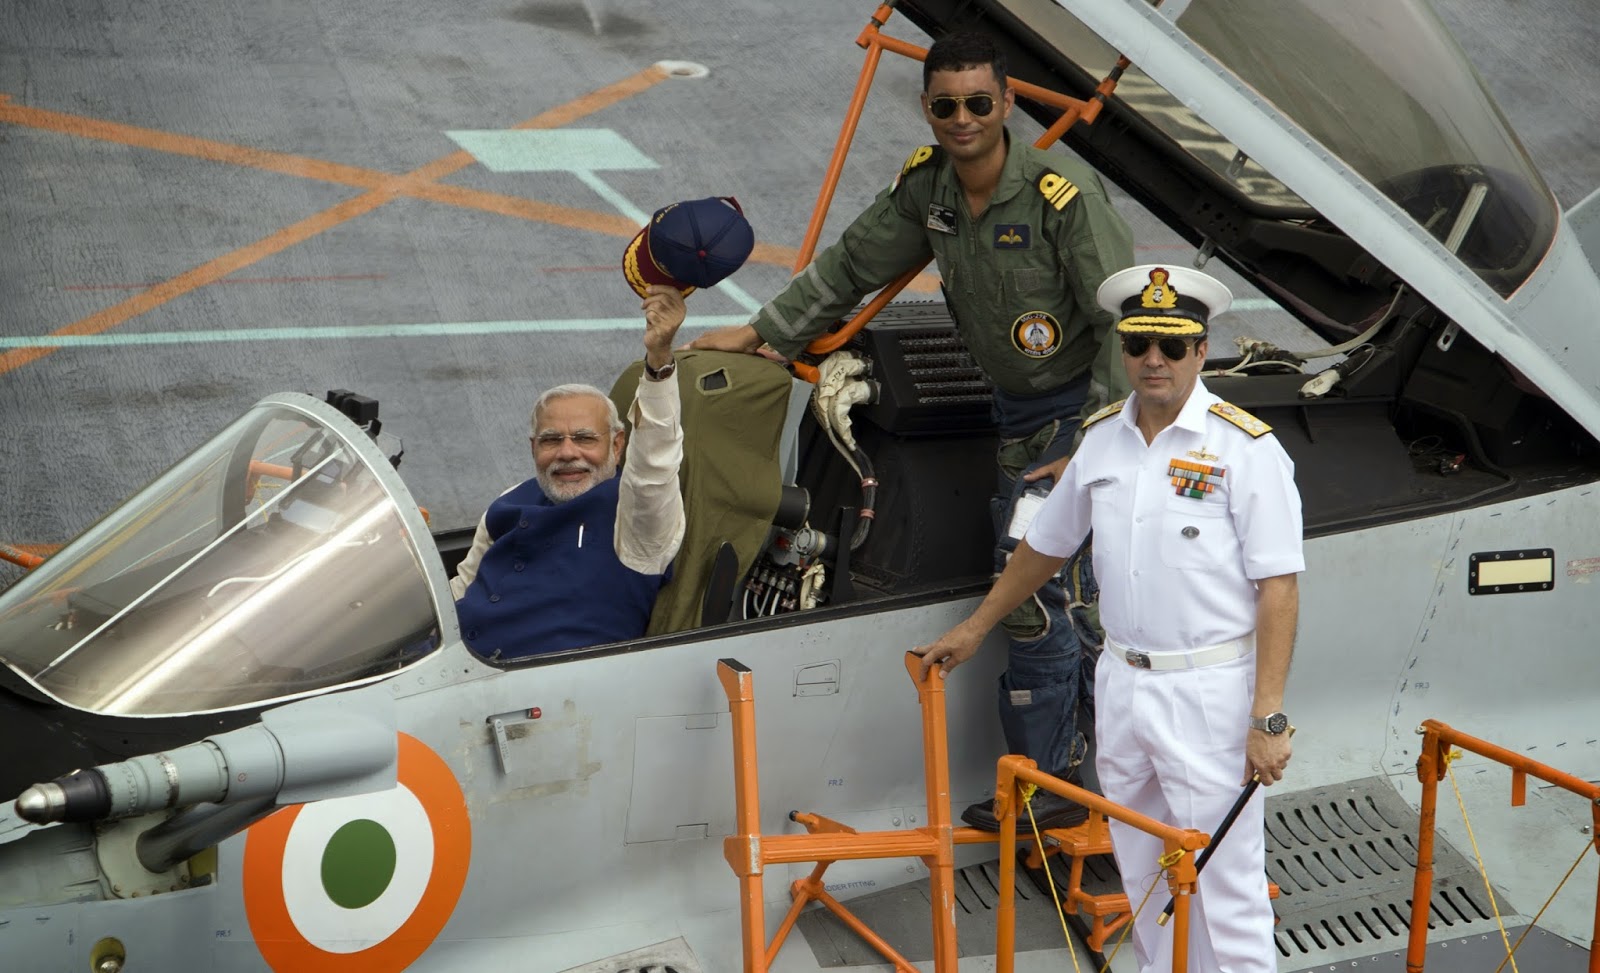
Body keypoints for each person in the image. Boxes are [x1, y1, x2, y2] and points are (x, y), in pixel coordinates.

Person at [689, 31, 1135, 830]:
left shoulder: (1062, 195)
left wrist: (1091, 445)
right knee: (1076, 601)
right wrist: (763, 333)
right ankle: (1093, 778)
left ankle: (1050, 794)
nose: (961, 119)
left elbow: (1123, 320)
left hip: (1081, 417)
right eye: (944, 105)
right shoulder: (929, 192)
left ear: (1007, 104)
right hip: (1019, 420)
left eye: (977, 103)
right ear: (927, 109)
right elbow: (850, 267)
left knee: (1037, 599)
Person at [914, 264, 1303, 973]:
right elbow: (1044, 547)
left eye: (1172, 344)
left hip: (1210, 692)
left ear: (1201, 350)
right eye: (1139, 343)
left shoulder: (1245, 450)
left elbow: (1278, 586)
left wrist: (1267, 715)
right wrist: (975, 626)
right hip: (1123, 681)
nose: (1154, 359)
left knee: (1226, 883)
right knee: (1143, 863)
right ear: (1123, 349)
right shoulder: (1100, 441)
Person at [452, 197, 755, 660]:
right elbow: (462, 587)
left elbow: (655, 465)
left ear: (618, 445)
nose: (568, 452)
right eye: (551, 440)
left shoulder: (636, 522)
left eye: (585, 438)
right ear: (533, 448)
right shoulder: (506, 502)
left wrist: (659, 360)